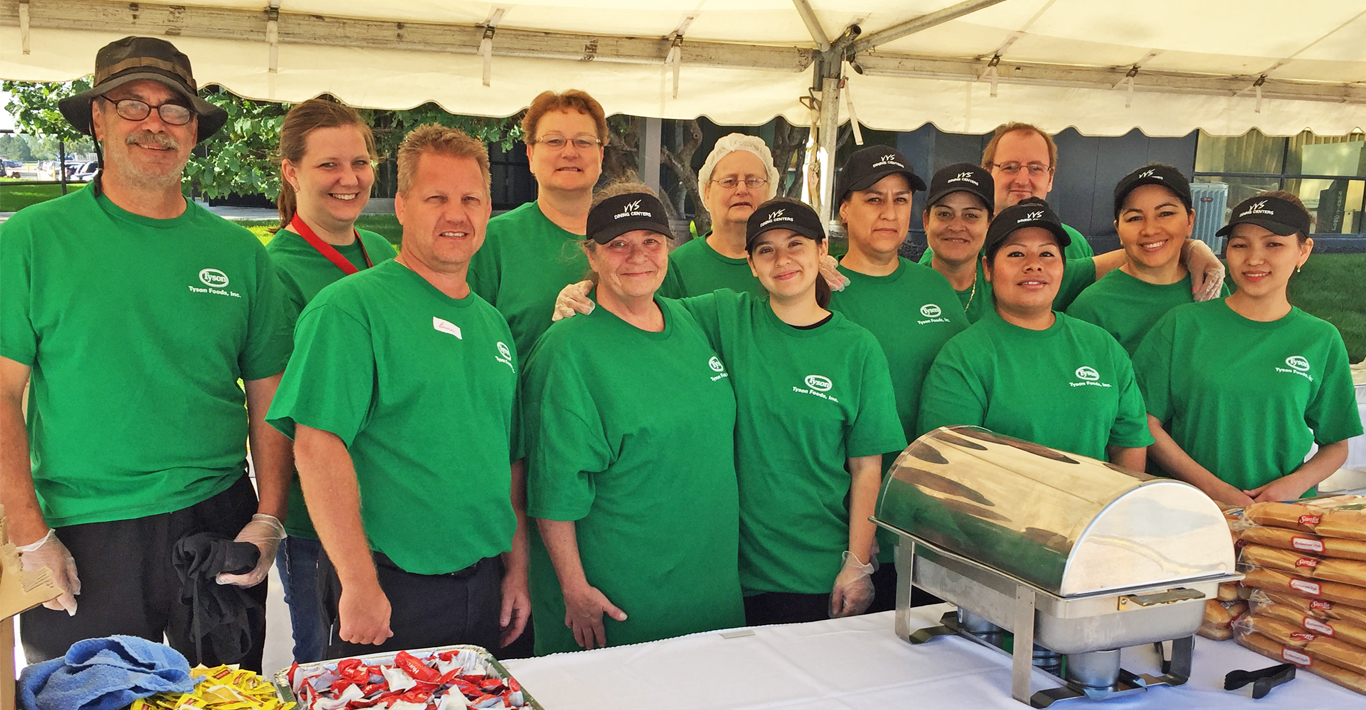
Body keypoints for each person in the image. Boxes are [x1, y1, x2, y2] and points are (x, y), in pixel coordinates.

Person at [0, 36, 290, 671]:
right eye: (132, 105)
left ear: (193, 133)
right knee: (87, 694)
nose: (155, 123)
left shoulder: (240, 253)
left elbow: (271, 393)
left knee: (227, 693)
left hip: (218, 520)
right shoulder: (30, 241)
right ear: (98, 119)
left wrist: (270, 517)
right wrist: (28, 534)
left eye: (175, 109)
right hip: (83, 528)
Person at [551, 195, 905, 625]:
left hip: (817, 571)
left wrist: (857, 563)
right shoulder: (724, 315)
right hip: (731, 574)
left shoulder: (858, 348)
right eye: (766, 250)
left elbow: (868, 467)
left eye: (796, 244)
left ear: (822, 251)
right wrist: (581, 291)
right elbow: (635, 302)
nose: (782, 260)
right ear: (751, 264)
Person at [265, 124, 530, 658]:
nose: (456, 214)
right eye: (436, 198)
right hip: (389, 586)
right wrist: (359, 583)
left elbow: (508, 459)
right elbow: (317, 445)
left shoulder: (492, 324)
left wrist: (517, 570)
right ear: (403, 205)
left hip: (484, 583)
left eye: (471, 199)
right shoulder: (349, 309)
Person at [523, 189, 744, 655]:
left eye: (651, 240)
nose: (637, 256)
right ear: (591, 254)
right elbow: (551, 486)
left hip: (709, 588)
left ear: (671, 246)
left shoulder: (691, 319)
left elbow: (783, 288)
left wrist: (827, 264)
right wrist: (573, 587)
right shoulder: (568, 350)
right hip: (618, 597)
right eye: (618, 244)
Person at [264, 97, 397, 664]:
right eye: (329, 165)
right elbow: (275, 405)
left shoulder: (386, 252)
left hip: (392, 504)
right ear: (292, 172)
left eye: (360, 162)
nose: (349, 179)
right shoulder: (276, 269)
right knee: (331, 663)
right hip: (319, 520)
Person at [1133, 192, 1362, 506]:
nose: (1254, 259)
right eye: (1240, 245)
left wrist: (1292, 486)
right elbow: (1145, 421)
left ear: (1303, 251)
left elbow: (1336, 444)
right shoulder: (1183, 324)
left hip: (1280, 516)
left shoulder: (1320, 339)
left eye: (1273, 244)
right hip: (1191, 506)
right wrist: (1211, 488)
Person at [824, 147, 966, 610]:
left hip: (929, 514)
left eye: (900, 200)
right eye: (873, 199)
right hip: (844, 514)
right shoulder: (818, 289)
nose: (889, 213)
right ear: (844, 208)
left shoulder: (933, 287)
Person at [919, 198, 1154, 470]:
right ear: (987, 269)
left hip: (1096, 511)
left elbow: (1129, 445)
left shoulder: (1103, 348)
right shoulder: (963, 359)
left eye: (1047, 254)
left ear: (1063, 268)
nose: (1034, 265)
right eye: (1016, 254)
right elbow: (948, 468)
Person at [920, 162, 1224, 324]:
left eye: (971, 215)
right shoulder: (912, 279)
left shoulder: (1027, 277)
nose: (956, 226)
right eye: (944, 214)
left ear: (989, 223)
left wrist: (1188, 246)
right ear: (925, 221)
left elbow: (1128, 256)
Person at [468, 89, 606, 363]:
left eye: (583, 141)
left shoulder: (630, 239)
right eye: (554, 141)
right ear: (530, 155)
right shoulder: (492, 241)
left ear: (601, 155)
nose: (569, 152)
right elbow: (470, 347)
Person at [1068, 164, 1228, 356]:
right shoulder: (1092, 308)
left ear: (1189, 220)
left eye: (1166, 214)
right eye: (1135, 218)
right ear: (1118, 229)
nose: (1150, 230)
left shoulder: (1212, 287)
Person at [658, 133, 780, 297]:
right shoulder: (676, 267)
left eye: (753, 181)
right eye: (729, 181)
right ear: (707, 193)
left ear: (769, 191)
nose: (742, 190)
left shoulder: (788, 264)